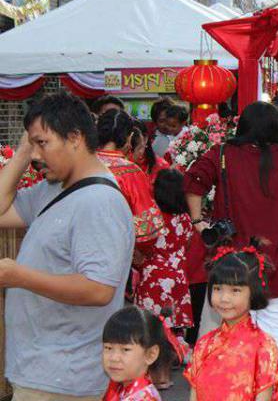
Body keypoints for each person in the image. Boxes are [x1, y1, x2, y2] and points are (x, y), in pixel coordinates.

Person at [185, 101, 278, 401]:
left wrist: (197, 222)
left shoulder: (222, 154)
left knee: (231, 334)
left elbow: (193, 181)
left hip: (234, 263)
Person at [0, 92, 133, 400]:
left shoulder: (99, 201)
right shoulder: (55, 188)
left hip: (65, 377)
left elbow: (98, 289)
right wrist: (21, 154)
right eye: (32, 144)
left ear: (74, 138)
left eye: (43, 143)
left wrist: (19, 277)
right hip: (41, 370)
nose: (36, 154)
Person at [185, 246, 278, 401]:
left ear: (253, 293)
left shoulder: (263, 346)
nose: (224, 298)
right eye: (217, 289)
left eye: (235, 290)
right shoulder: (204, 344)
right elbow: (194, 395)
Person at [133, 169, 193, 389]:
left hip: (153, 278)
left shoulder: (152, 217)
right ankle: (166, 374)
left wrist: (141, 261)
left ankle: (155, 375)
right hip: (178, 277)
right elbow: (186, 246)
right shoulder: (186, 218)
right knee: (173, 330)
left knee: (153, 330)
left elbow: (138, 244)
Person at [96, 110, 167, 250]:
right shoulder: (131, 172)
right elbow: (147, 228)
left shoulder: (81, 165)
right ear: (129, 138)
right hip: (114, 248)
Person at [101, 306, 171, 401]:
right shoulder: (120, 386)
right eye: (108, 348)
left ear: (151, 354)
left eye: (125, 349)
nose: (114, 358)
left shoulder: (143, 398)